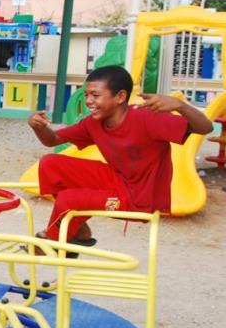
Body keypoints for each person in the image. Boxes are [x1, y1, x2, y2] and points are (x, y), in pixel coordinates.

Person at [27, 65, 212, 251]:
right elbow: (52, 140)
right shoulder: (94, 123)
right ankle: (77, 230)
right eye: (86, 95)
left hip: (141, 198)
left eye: (95, 95)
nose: (89, 101)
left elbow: (205, 128)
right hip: (119, 182)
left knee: (69, 199)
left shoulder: (147, 118)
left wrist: (180, 105)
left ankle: (49, 243)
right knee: (50, 164)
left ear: (120, 97)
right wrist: (38, 126)